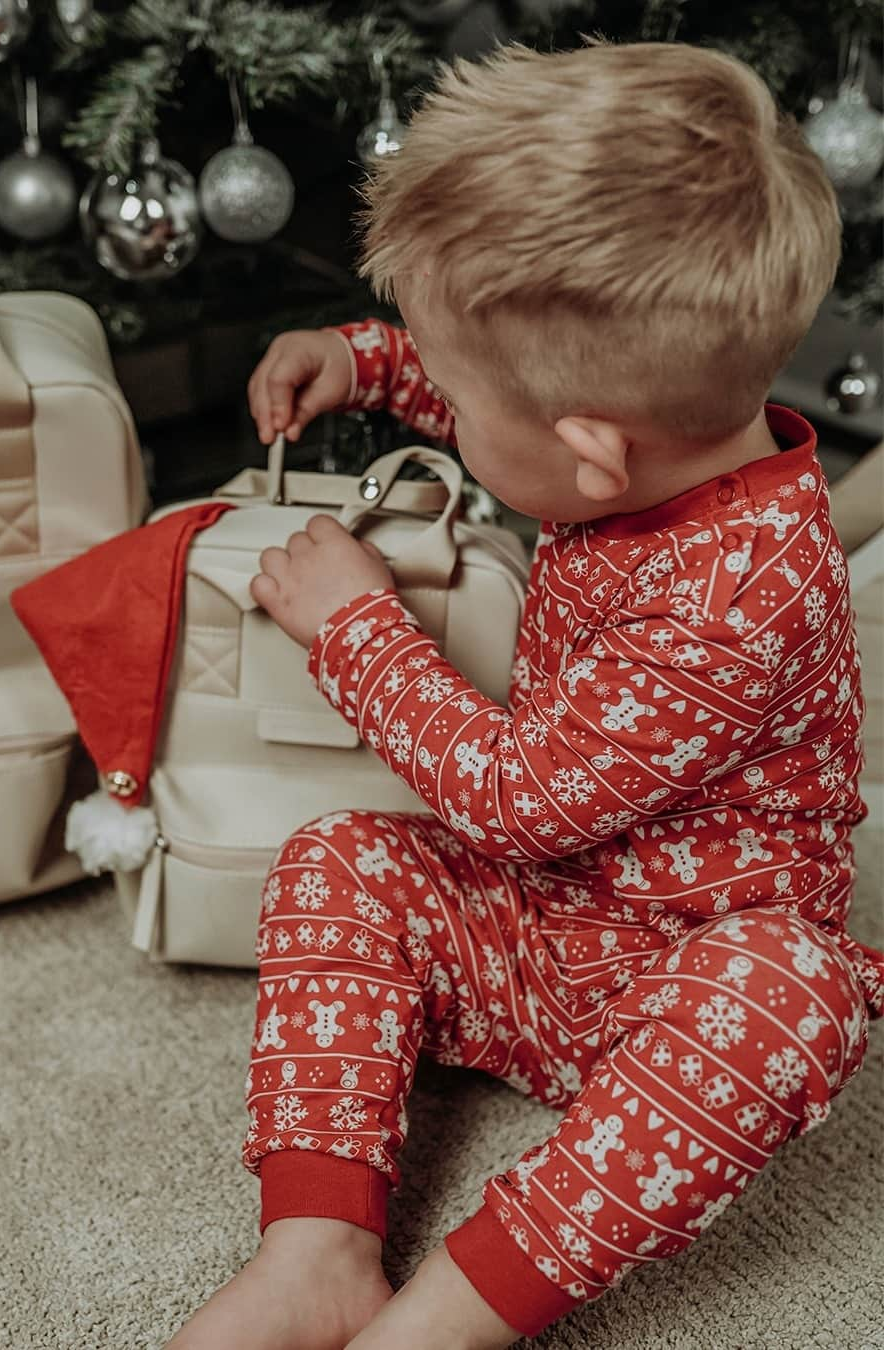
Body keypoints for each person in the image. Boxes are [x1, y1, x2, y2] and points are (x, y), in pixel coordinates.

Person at [164, 35, 881, 1350]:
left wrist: (359, 629)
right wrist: (370, 360)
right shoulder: (637, 434)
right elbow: (513, 390)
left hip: (677, 966)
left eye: (467, 414)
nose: (457, 420)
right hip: (545, 928)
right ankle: (317, 1250)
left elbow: (518, 801)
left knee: (796, 996)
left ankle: (452, 1310)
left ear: (591, 455)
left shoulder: (739, 593)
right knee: (345, 859)